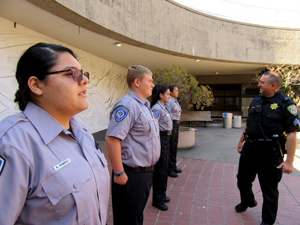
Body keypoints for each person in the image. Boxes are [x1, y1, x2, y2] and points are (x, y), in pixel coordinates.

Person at [0, 43, 110, 224]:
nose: (84, 80)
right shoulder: (12, 144)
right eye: (70, 73)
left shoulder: (80, 131)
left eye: (83, 73)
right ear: (36, 85)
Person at [235, 71, 299, 225]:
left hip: (270, 153)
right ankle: (248, 201)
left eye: (262, 82)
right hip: (250, 149)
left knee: (269, 191)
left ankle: (267, 222)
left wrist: (289, 161)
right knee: (242, 180)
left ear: (273, 85)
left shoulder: (286, 104)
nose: (258, 85)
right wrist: (241, 141)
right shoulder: (256, 100)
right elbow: (248, 123)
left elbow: (291, 134)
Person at [105, 65, 160, 225]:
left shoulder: (143, 106)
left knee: (136, 217)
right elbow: (112, 139)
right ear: (137, 82)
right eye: (149, 81)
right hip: (130, 175)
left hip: (145, 174)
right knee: (127, 220)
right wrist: (119, 173)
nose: (153, 85)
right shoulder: (128, 105)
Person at [151, 85, 173, 211]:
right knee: (160, 169)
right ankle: (157, 199)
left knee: (164, 168)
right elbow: (153, 128)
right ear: (161, 95)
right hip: (160, 138)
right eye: (168, 94)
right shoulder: (157, 108)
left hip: (166, 138)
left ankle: (162, 194)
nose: (169, 96)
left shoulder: (163, 106)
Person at [166, 85, 182, 178]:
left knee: (174, 146)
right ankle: (170, 169)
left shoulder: (175, 100)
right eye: (176, 90)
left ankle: (174, 165)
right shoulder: (170, 101)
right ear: (171, 92)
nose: (178, 92)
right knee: (171, 147)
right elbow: (167, 114)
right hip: (171, 124)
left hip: (176, 124)